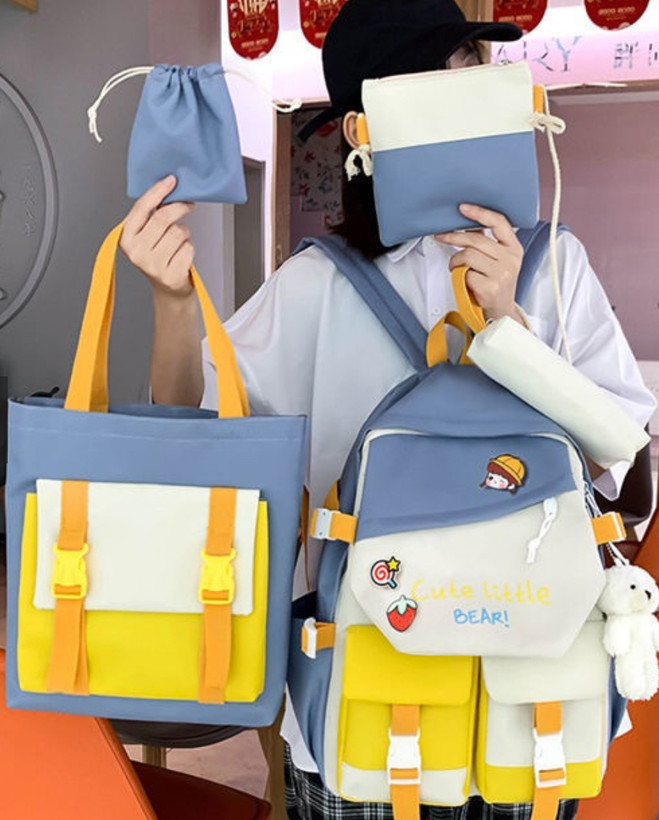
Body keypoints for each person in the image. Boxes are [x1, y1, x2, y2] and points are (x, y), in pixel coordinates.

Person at [118, 0, 656, 817]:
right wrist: (171, 301)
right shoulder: (316, 284)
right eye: (446, 76)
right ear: (363, 130)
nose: (474, 91)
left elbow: (618, 460)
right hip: (368, 693)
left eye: (475, 69)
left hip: (532, 693)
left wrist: (510, 325)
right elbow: (200, 438)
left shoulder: (554, 263)